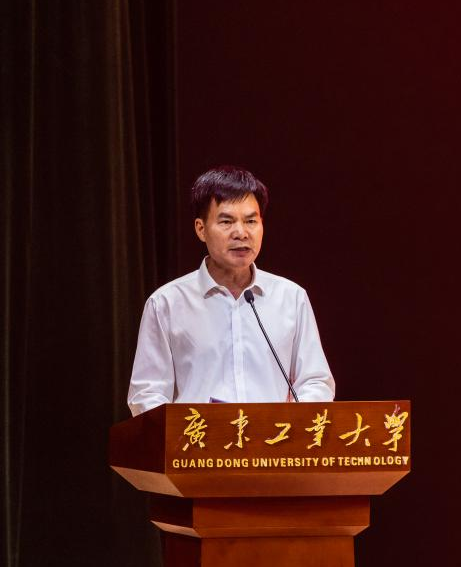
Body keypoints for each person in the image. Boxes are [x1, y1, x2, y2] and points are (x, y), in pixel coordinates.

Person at [127, 166, 335, 416]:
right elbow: (147, 395)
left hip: (274, 439)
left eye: (251, 221)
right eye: (226, 221)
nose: (241, 233)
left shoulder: (291, 298)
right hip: (196, 440)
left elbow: (315, 382)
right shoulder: (167, 304)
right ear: (201, 229)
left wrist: (289, 422)